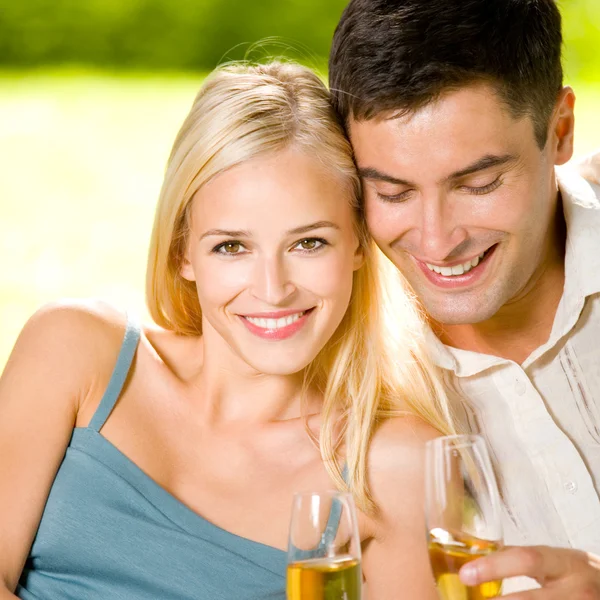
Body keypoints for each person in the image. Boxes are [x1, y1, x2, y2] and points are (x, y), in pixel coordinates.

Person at [0, 61, 456, 599]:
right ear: (183, 252)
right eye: (231, 246)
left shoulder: (395, 465)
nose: (273, 288)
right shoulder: (75, 351)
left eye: (309, 243)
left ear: (358, 243)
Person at [329, 0, 600, 596]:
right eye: (394, 193)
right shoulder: (344, 379)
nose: (437, 241)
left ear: (558, 132)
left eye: (478, 184)